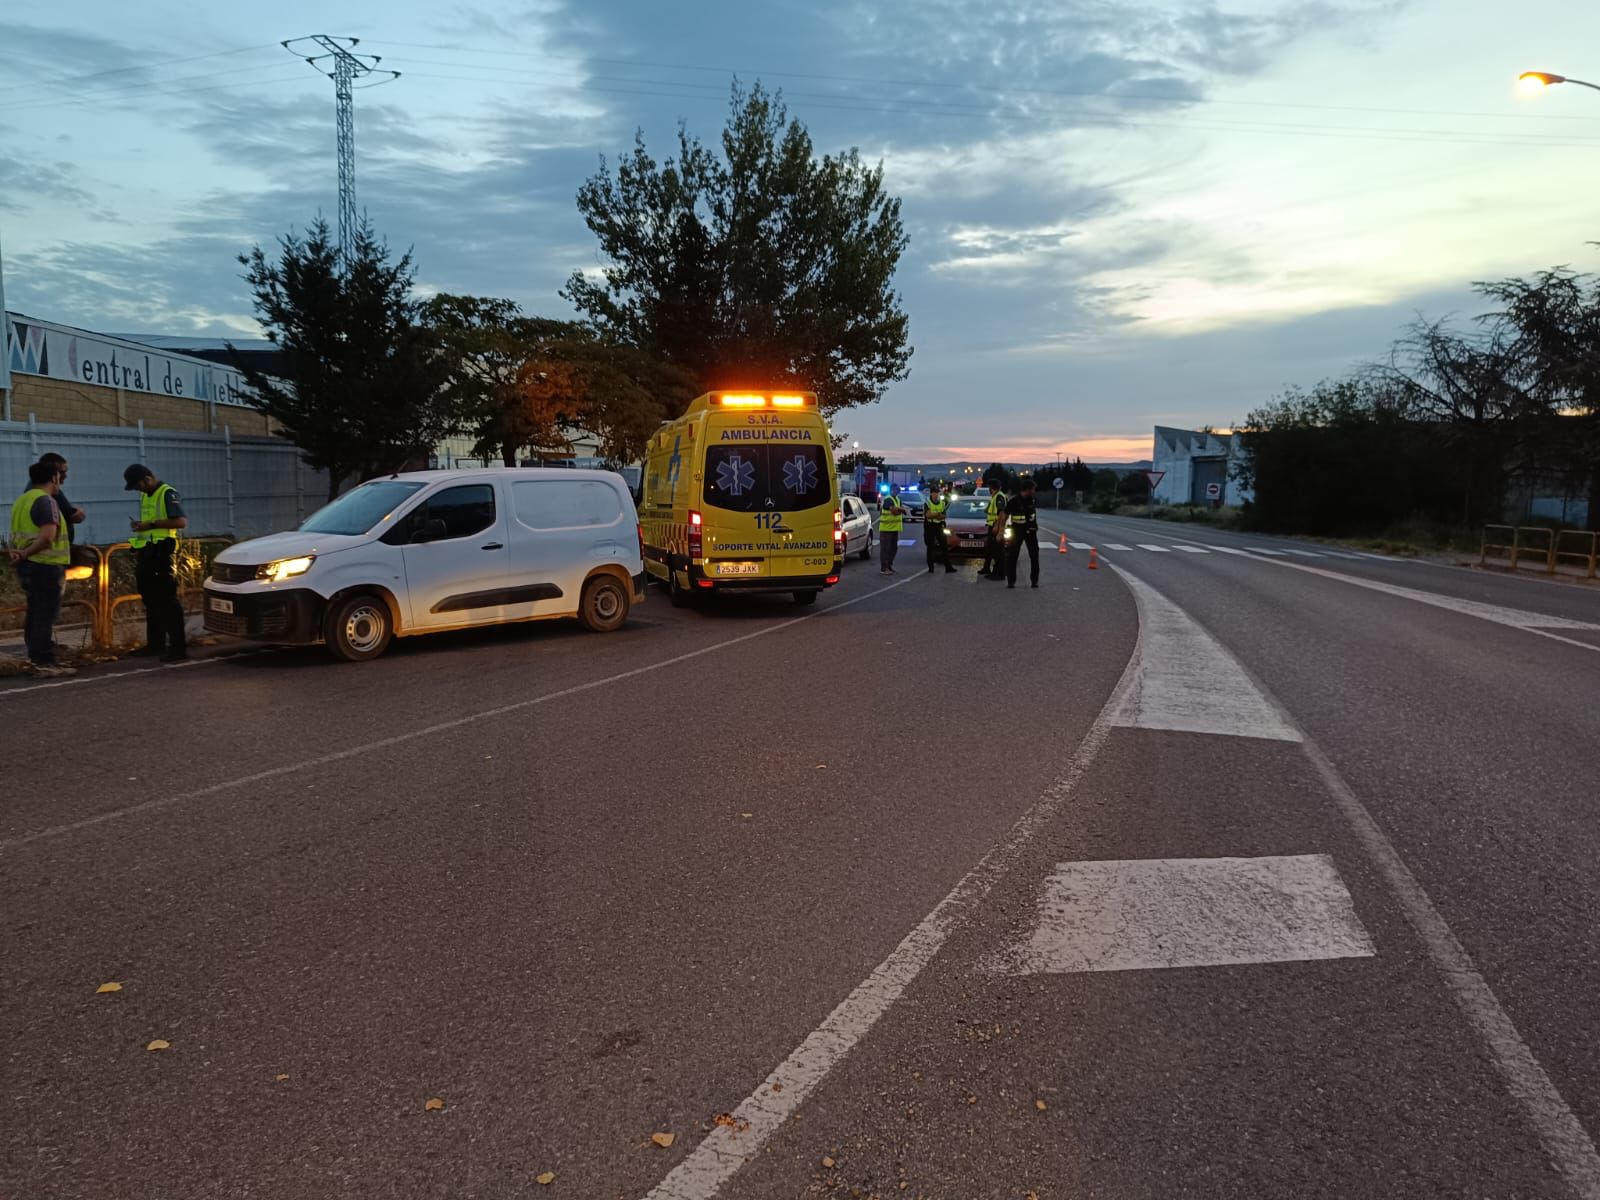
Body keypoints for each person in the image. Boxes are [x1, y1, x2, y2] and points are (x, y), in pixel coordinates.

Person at [7, 461, 76, 676]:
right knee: (45, 615)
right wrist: (28, 552)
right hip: (45, 566)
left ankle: (35, 658)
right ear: (54, 477)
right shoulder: (46, 502)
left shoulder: (22, 500)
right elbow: (47, 537)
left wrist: (19, 553)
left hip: (26, 566)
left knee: (35, 613)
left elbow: (15, 534)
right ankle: (44, 662)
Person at [124, 464, 189, 661]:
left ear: (147, 478)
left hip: (163, 554)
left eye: (138, 485)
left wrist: (151, 524)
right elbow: (150, 525)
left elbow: (180, 522)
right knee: (151, 600)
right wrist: (141, 527)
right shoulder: (145, 496)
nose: (138, 490)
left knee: (167, 601)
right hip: (148, 553)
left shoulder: (167, 493)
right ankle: (156, 645)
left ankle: (178, 649)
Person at [37, 453, 87, 548]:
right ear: (53, 474)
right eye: (62, 472)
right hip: (52, 552)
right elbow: (75, 516)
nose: (65, 476)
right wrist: (79, 511)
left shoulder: (33, 491)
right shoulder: (49, 494)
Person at [1005, 476, 1041, 589]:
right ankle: (1011, 581)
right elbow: (1004, 515)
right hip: (1017, 531)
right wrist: (1001, 530)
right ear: (1027, 489)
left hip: (1031, 532)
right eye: (1033, 489)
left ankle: (1034, 581)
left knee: (1034, 556)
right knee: (1013, 556)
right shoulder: (1014, 501)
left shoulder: (1033, 500)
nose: (1034, 492)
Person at [924, 484, 955, 574]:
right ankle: (931, 568)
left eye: (937, 492)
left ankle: (948, 567)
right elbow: (928, 515)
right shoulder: (927, 502)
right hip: (929, 526)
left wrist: (935, 514)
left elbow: (944, 515)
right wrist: (938, 514)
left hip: (939, 526)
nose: (936, 494)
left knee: (944, 546)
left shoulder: (942, 503)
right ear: (931, 494)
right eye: (934, 493)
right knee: (930, 547)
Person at [981, 484, 1008, 579]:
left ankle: (999, 574)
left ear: (991, 488)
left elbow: (1001, 513)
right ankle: (990, 570)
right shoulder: (995, 496)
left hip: (996, 526)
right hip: (993, 525)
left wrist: (997, 526)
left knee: (998, 552)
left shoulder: (999, 496)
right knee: (992, 550)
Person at [877, 490, 904, 574]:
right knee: (885, 549)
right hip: (886, 529)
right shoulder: (888, 499)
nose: (896, 491)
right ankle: (884, 568)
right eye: (895, 489)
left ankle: (889, 566)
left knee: (893, 548)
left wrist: (899, 509)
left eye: (897, 490)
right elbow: (894, 512)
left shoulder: (898, 499)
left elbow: (898, 510)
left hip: (894, 528)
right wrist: (900, 510)